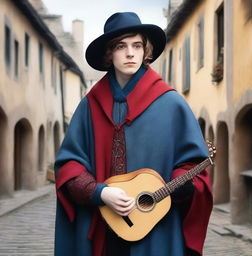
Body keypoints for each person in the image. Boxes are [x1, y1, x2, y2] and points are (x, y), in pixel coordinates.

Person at [54, 12, 213, 256]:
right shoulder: (90, 106)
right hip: (103, 229)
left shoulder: (171, 104)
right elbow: (68, 167)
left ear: (145, 50)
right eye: (121, 46)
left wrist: (177, 185)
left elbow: (195, 166)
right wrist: (101, 193)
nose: (130, 53)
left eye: (137, 45)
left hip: (156, 229)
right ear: (109, 54)